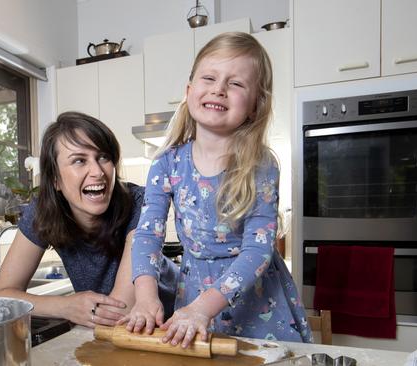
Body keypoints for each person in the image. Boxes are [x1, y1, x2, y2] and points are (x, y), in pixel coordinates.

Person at [120, 32, 312, 346]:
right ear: (189, 90)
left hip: (258, 300)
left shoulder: (261, 165)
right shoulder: (166, 164)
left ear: (254, 105)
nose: (219, 89)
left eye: (236, 84)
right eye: (209, 77)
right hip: (193, 293)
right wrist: (145, 296)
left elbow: (258, 250)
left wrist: (203, 308)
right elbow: (147, 236)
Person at [0, 112, 177, 327]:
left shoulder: (141, 202)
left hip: (172, 324)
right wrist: (65, 306)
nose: (98, 172)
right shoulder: (42, 211)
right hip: (119, 334)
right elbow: (1, 296)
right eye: (79, 160)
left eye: (103, 157)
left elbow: (119, 309)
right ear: (55, 180)